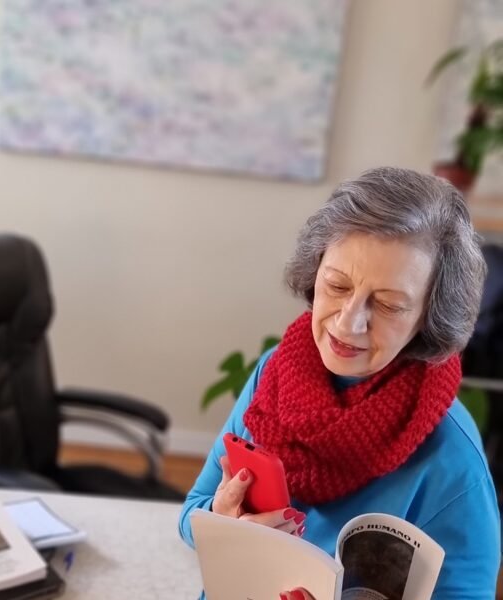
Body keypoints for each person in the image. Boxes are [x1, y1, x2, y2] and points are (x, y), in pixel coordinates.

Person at [179, 167, 501, 599]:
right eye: (337, 285)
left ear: (430, 315)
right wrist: (222, 521)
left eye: (388, 305)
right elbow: (192, 517)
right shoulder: (274, 373)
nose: (348, 324)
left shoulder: (452, 457)